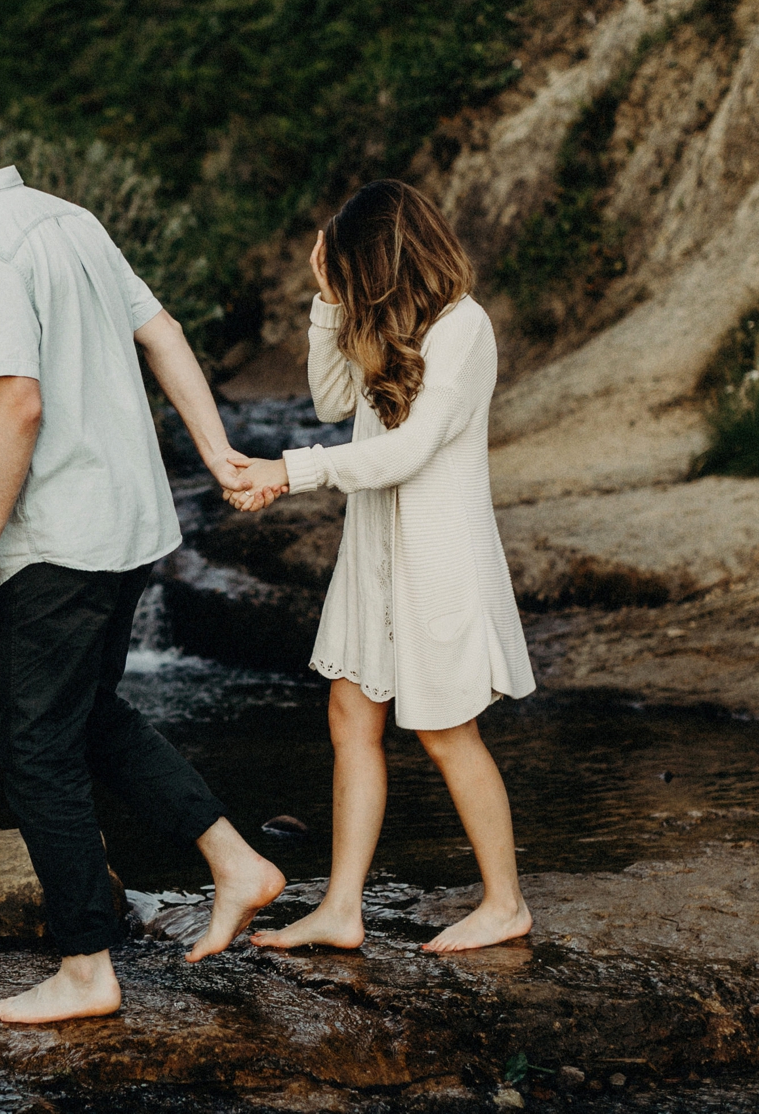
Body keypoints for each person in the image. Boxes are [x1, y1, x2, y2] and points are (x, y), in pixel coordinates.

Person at [0, 86, 286, 1023]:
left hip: (58, 535)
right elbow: (161, 331)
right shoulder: (69, 218)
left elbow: (19, 402)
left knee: (36, 751)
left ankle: (87, 965)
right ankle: (235, 859)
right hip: (128, 523)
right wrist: (214, 453)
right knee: (89, 714)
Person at [227, 179, 536, 954]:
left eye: (353, 269)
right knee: (349, 717)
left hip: (436, 557)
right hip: (373, 555)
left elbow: (407, 450)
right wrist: (327, 300)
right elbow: (332, 401)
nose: (351, 283)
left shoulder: (463, 329)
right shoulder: (388, 323)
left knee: (444, 731)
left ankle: (505, 903)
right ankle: (340, 907)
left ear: (391, 258)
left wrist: (287, 472)